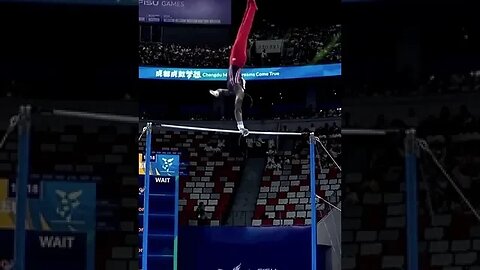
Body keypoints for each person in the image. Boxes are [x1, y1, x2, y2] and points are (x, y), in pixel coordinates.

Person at [209, 0, 258, 137]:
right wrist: (241, 127)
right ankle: (253, 7)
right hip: (238, 60)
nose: (243, 79)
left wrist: (217, 92)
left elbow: (221, 91)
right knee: (244, 32)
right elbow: (237, 109)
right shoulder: (238, 91)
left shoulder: (231, 90)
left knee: (241, 30)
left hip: (233, 60)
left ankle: (249, 4)